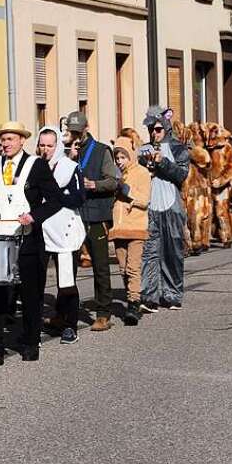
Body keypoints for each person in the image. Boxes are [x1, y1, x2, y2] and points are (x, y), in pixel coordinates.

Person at [0, 121, 62, 364]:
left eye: (10, 139)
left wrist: (34, 216)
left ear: (22, 140)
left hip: (29, 238)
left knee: (31, 293)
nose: (5, 144)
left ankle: (31, 342)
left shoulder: (37, 165)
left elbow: (55, 200)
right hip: (0, 238)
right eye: (2, 140)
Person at [65, 111, 120, 327]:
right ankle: (66, 312)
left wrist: (94, 185)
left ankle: (103, 313)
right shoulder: (66, 152)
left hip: (95, 214)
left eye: (78, 131)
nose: (75, 136)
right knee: (68, 266)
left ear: (86, 128)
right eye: (72, 131)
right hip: (72, 214)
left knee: (100, 265)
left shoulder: (101, 150)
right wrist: (69, 158)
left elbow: (113, 181)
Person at [36, 127, 86, 344]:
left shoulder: (70, 167)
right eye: (42, 145)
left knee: (66, 281)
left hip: (65, 231)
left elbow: (78, 197)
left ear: (58, 146)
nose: (46, 149)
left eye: (50, 145)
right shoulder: (34, 166)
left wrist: (55, 196)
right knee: (36, 281)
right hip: (41, 230)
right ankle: (35, 326)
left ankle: (69, 324)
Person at [138, 107, 190, 312]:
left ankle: (172, 294)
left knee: (172, 252)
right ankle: (149, 296)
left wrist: (163, 163)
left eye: (158, 128)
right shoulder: (143, 149)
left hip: (172, 207)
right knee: (149, 252)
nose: (154, 133)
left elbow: (181, 175)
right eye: (151, 128)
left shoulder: (178, 148)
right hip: (150, 207)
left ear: (166, 128)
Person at [110, 138, 151, 323]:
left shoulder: (142, 172)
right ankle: (132, 296)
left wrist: (127, 191)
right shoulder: (118, 174)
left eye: (122, 157)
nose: (119, 161)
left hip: (135, 226)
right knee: (123, 268)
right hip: (119, 228)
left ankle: (133, 303)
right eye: (116, 157)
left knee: (133, 267)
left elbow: (144, 199)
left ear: (131, 155)